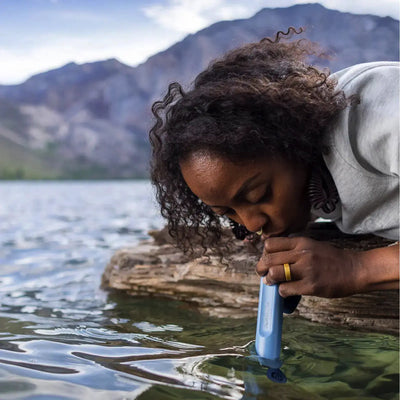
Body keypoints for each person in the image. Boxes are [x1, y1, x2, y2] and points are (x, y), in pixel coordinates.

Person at [149, 28, 399, 299]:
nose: (252, 222)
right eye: (228, 212)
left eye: (259, 194)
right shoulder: (306, 176)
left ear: (292, 140)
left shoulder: (377, 114)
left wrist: (356, 268)